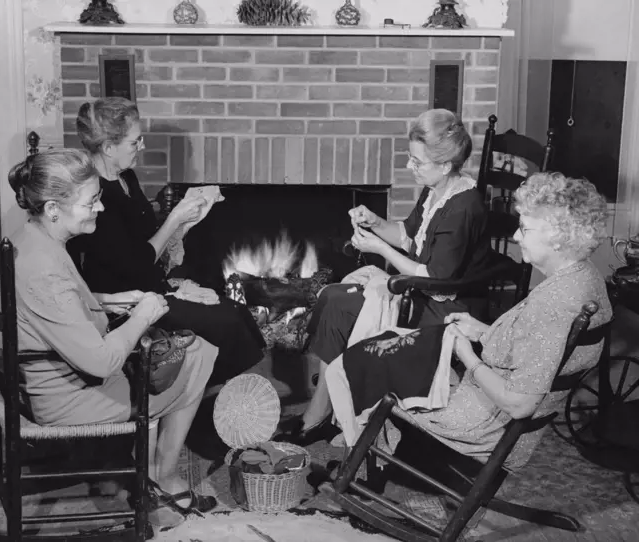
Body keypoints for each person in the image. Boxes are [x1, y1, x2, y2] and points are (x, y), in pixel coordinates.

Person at [325, 172, 612, 469]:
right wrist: (483, 332)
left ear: (557, 238)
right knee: (385, 348)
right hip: (486, 401)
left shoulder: (555, 305)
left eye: (524, 229)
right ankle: (365, 451)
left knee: (351, 368)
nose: (515, 236)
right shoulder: (583, 278)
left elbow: (519, 403)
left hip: (480, 422)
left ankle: (360, 466)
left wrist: (467, 355)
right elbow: (536, 348)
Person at [8, 149, 218, 525]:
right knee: (201, 352)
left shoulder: (33, 237)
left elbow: (67, 304)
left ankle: (147, 474)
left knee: (178, 350)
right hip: (67, 399)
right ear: (54, 208)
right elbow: (101, 361)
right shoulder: (44, 271)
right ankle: (161, 478)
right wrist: (143, 315)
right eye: (91, 201)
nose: (100, 209)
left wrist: (116, 300)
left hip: (51, 375)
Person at [275, 108, 491, 445]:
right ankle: (328, 409)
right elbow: (408, 234)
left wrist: (380, 249)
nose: (410, 167)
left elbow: (435, 276)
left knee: (343, 305)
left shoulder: (463, 207)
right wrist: (375, 222)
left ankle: (320, 416)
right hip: (420, 290)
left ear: (446, 165)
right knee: (333, 295)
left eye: (417, 161)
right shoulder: (438, 189)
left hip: (445, 306)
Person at [67, 97, 265, 386]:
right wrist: (175, 218)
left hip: (150, 285)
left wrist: (186, 219)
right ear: (108, 148)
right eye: (135, 142)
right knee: (225, 320)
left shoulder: (126, 178)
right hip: (127, 304)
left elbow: (148, 237)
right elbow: (136, 263)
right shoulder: (99, 198)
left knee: (234, 310)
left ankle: (229, 392)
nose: (142, 146)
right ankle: (207, 396)